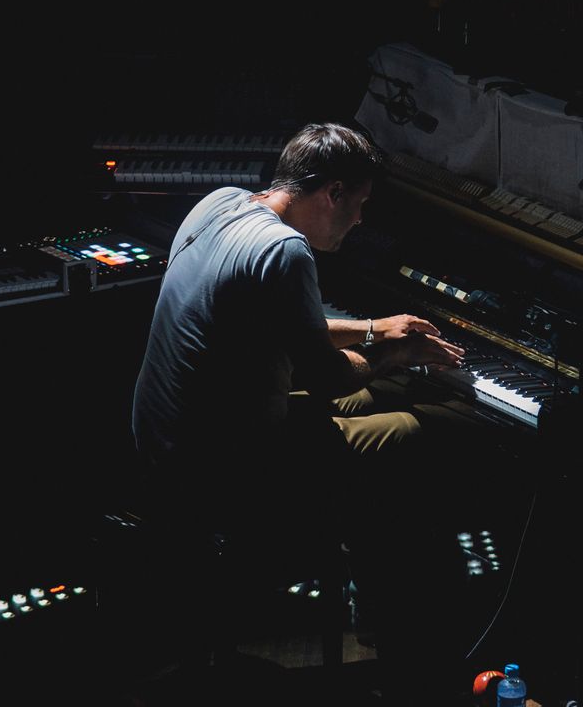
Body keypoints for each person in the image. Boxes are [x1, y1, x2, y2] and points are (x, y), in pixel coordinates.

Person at [131, 122, 474, 701]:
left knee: (381, 396)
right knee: (425, 429)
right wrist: (400, 353)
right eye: (359, 204)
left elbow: (281, 323)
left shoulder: (220, 204)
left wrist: (372, 328)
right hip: (220, 464)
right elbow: (327, 377)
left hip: (167, 430)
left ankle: (383, 603)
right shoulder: (286, 251)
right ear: (333, 193)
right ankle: (412, 640)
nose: (359, 221)